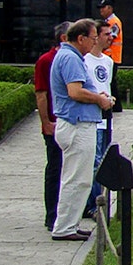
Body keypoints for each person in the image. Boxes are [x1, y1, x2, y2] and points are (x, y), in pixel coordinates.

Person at [49, 19, 114, 241]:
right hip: (77, 124)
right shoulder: (70, 58)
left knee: (80, 178)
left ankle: (70, 224)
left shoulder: (70, 56)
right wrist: (99, 100)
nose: (95, 42)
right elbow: (75, 92)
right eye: (93, 38)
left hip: (78, 123)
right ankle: (64, 227)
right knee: (77, 179)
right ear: (81, 38)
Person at [34, 21, 70, 231]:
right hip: (54, 123)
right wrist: (46, 121)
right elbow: (41, 93)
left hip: (69, 122)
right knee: (55, 168)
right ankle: (52, 215)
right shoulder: (46, 61)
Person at [83, 20, 113, 217]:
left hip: (106, 117)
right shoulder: (84, 61)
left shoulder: (108, 61)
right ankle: (93, 205)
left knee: (104, 160)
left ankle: (99, 201)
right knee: (94, 162)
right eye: (106, 34)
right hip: (91, 118)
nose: (110, 38)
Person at [98, 0, 123, 112]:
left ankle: (116, 106)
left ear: (110, 8)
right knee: (110, 81)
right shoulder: (108, 21)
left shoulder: (114, 21)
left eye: (104, 7)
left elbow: (111, 38)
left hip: (112, 56)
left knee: (111, 81)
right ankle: (115, 106)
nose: (101, 10)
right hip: (109, 56)